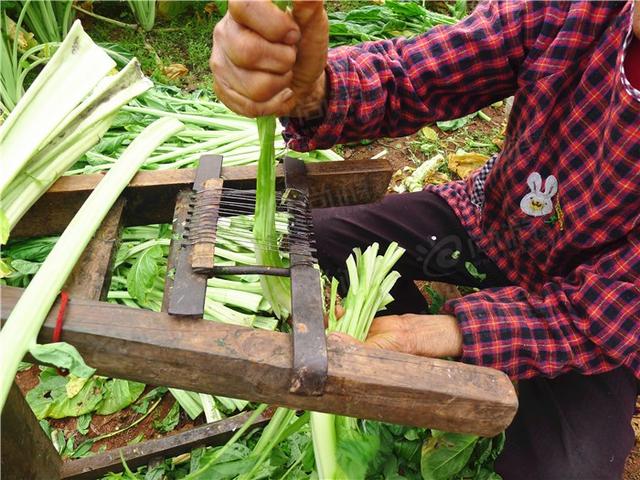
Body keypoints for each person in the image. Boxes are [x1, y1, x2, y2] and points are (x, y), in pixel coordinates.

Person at [211, 1, 640, 478]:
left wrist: (443, 332)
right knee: (313, 241)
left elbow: (627, 303)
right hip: (494, 222)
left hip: (598, 313)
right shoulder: (580, 10)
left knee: (571, 468)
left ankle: (510, 355)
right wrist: (313, 91)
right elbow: (415, 75)